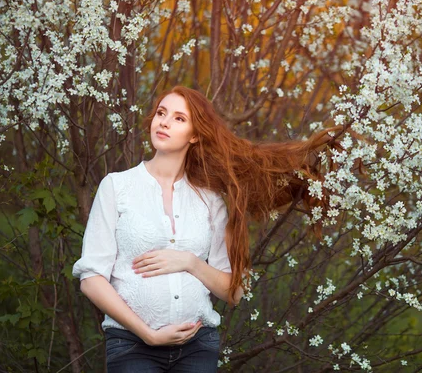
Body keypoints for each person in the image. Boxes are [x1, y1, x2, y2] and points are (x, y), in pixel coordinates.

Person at [72, 86, 333, 372]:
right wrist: (149, 335)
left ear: (195, 135)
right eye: (161, 113)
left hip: (197, 349)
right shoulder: (116, 186)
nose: (165, 122)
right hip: (132, 345)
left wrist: (190, 262)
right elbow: (91, 277)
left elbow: (232, 292)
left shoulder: (209, 200)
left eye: (179, 118)